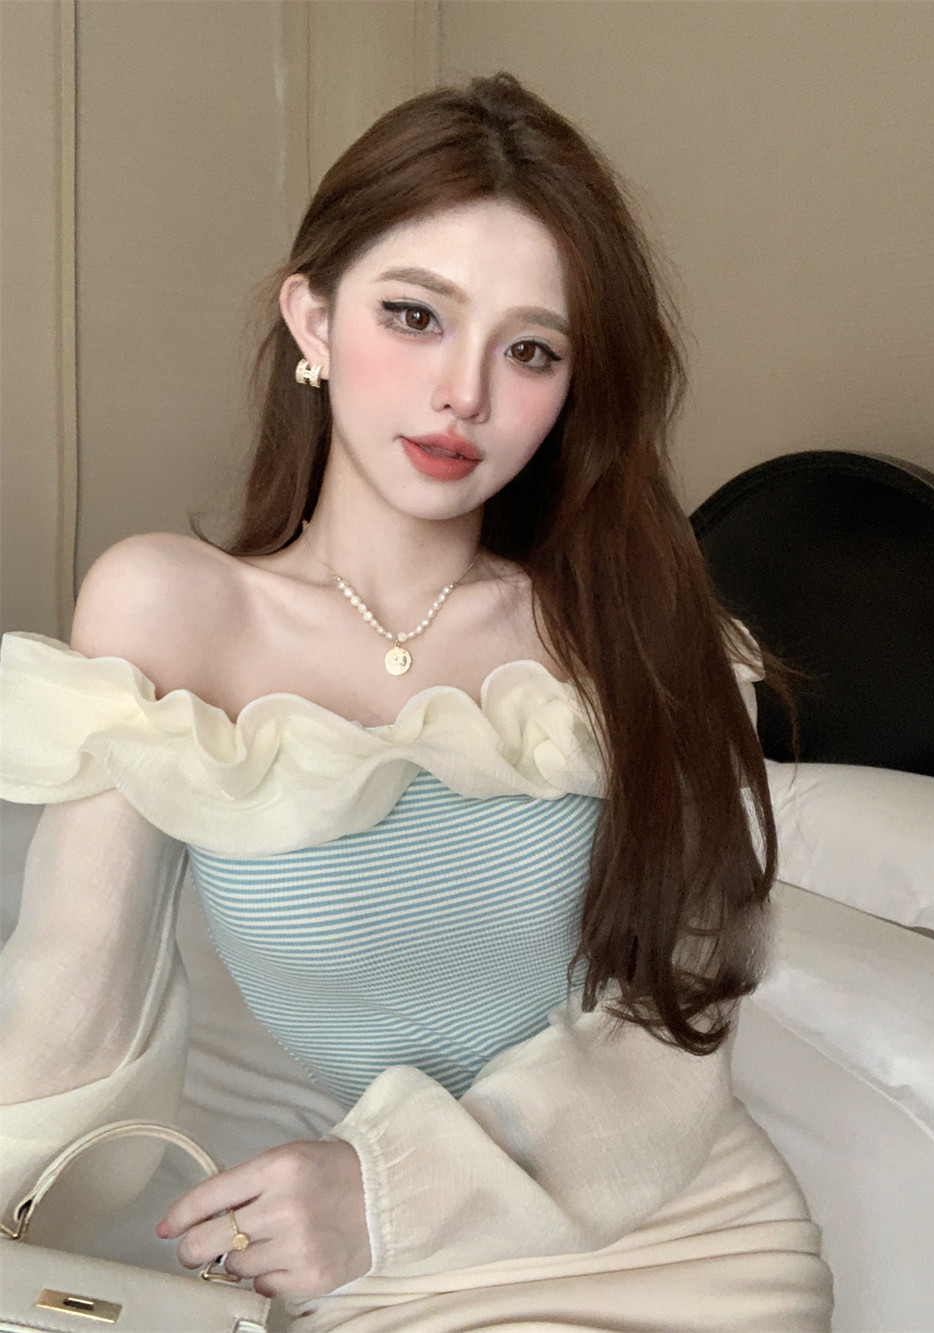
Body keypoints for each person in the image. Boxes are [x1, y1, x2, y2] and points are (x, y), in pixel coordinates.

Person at [0, 73, 833, 1330]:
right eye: (414, 315)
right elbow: (71, 1009)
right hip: (386, 1272)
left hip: (686, 1239)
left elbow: (674, 1026)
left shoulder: (626, 626)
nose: (464, 394)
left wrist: (380, 1191)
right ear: (313, 320)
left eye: (530, 349)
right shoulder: (173, 611)